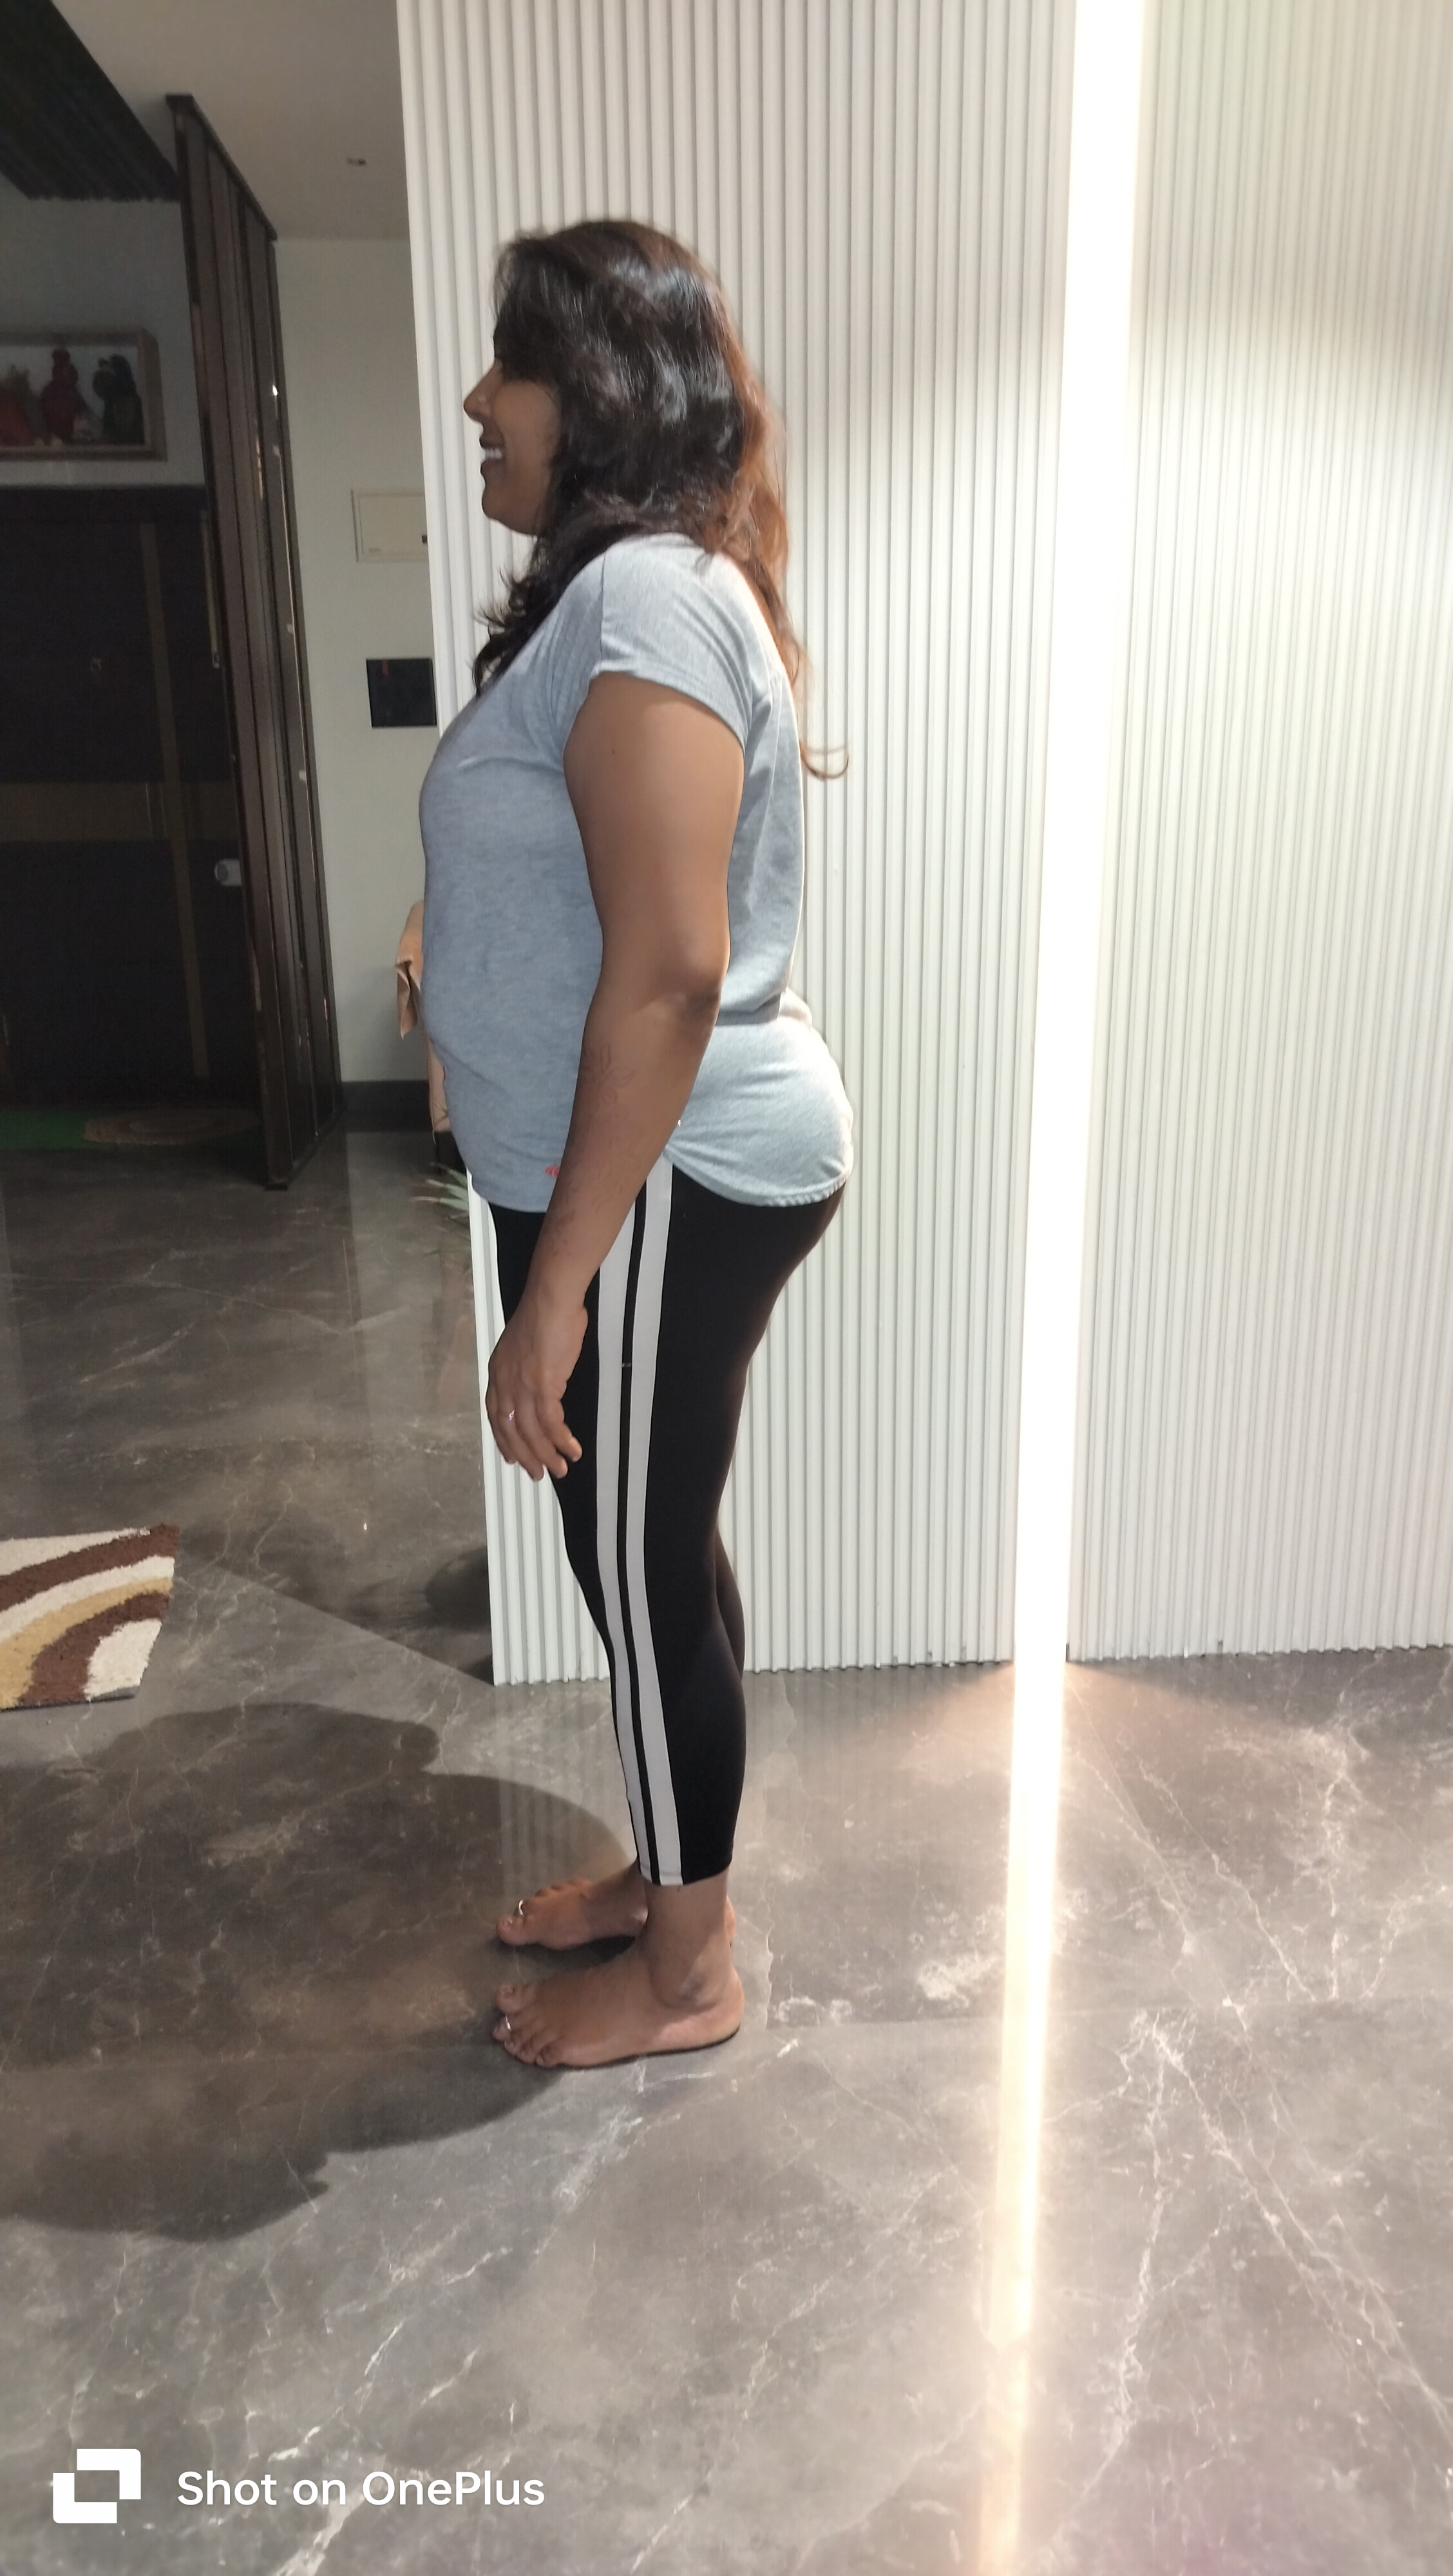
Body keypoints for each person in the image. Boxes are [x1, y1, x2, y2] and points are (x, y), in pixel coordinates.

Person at [418, 220, 853, 2069]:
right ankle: (678, 1882)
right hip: (624, 1181)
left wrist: (556, 1295)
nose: (477, 398)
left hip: (664, 1179)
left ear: (592, 395)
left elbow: (672, 975)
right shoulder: (623, 599)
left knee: (642, 1561)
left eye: (510, 364)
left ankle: (687, 1976)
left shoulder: (653, 601)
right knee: (641, 1548)